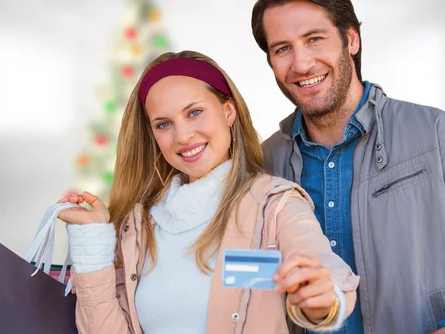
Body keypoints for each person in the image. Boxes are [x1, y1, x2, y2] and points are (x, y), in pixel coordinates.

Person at [252, 0, 445, 334]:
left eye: (314, 39)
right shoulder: (263, 164)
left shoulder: (440, 137)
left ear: (351, 39)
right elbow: (254, 286)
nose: (301, 63)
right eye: (282, 49)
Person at [56, 50, 359, 334]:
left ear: (228, 111)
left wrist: (324, 297)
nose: (183, 136)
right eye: (164, 124)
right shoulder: (138, 227)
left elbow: (322, 267)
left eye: (194, 112)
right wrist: (92, 239)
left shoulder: (274, 204)